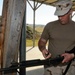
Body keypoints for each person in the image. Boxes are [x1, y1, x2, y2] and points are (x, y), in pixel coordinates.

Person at [38, 0, 75, 75]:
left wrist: (72, 55)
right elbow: (42, 42)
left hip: (70, 67)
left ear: (71, 12)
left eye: (63, 15)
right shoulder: (49, 26)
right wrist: (43, 49)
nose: (60, 18)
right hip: (51, 67)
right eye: (58, 15)